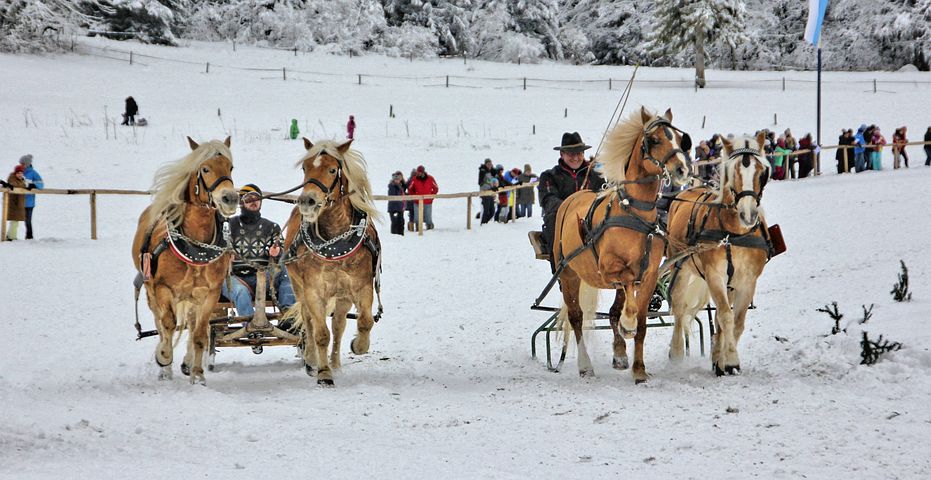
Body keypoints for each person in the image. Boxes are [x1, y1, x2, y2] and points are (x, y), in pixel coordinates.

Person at [221, 184, 296, 318]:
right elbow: (217, 248)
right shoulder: (228, 225)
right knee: (240, 291)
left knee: (287, 269)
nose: (254, 202)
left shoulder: (272, 227)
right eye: (249, 198)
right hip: (233, 277)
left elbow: (283, 254)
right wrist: (225, 255)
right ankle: (251, 326)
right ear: (241, 202)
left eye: (257, 198)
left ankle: (288, 315)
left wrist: (277, 252)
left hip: (264, 277)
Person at [538, 132, 606, 262]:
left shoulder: (595, 175)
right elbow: (548, 200)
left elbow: (603, 194)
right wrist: (573, 208)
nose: (576, 157)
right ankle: (558, 263)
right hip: (563, 221)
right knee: (552, 217)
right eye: (571, 154)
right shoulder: (549, 176)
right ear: (562, 154)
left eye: (579, 153)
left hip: (591, 218)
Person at [406, 165, 438, 230]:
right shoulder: (414, 179)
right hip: (417, 201)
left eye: (419, 172)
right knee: (417, 216)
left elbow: (436, 188)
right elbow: (410, 189)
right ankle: (418, 227)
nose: (418, 174)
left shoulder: (430, 178)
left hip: (428, 201)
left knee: (428, 216)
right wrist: (414, 196)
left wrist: (431, 196)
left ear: (423, 172)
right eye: (417, 172)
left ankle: (429, 227)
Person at [19, 154, 42, 239]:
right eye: (20, 163)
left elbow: (41, 184)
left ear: (27, 164)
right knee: (16, 219)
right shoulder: (19, 172)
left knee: (27, 220)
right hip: (19, 200)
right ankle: (11, 235)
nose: (21, 165)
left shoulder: (33, 173)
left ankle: (29, 236)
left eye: (22, 163)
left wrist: (33, 185)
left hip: (29, 202)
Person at [3, 165, 26, 240]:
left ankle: (10, 236)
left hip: (18, 203)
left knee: (15, 222)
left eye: (21, 173)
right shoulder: (12, 178)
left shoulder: (22, 180)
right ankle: (12, 237)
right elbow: (13, 184)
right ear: (15, 173)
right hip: (14, 204)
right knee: (15, 222)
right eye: (18, 173)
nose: (20, 175)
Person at [387, 171, 406, 236]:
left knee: (401, 222)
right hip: (394, 207)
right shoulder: (392, 186)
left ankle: (401, 234)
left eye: (398, 179)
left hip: (400, 207)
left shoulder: (401, 186)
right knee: (395, 222)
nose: (397, 181)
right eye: (396, 179)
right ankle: (394, 235)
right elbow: (393, 196)